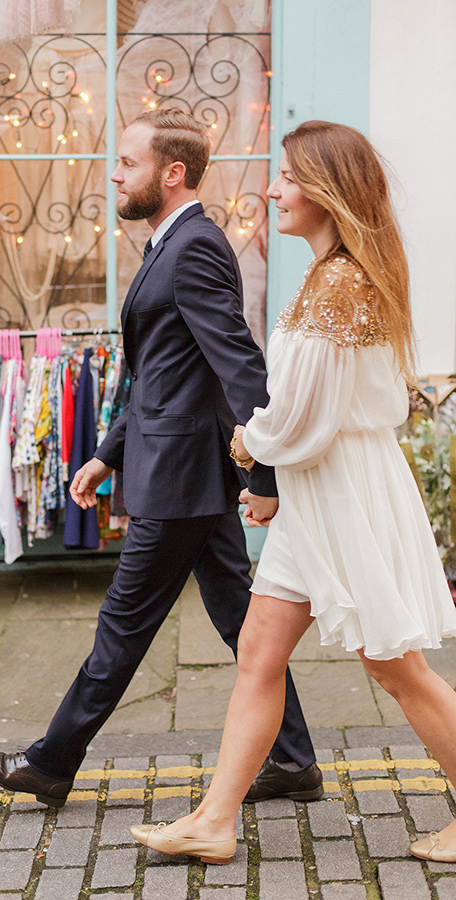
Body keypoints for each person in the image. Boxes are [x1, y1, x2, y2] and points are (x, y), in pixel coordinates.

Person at [0, 109, 322, 809]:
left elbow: (240, 370)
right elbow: (164, 377)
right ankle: (294, 760)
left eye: (127, 163)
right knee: (240, 621)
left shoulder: (191, 247)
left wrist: (268, 474)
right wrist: (107, 455)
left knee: (124, 624)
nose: (114, 174)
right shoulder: (171, 244)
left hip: (181, 480)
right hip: (181, 469)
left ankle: (50, 761)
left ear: (173, 173)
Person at [129, 119, 456, 866]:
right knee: (258, 649)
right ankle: (215, 820)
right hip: (321, 493)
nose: (272, 189)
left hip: (343, 493)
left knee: (393, 666)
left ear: (325, 189)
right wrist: (274, 457)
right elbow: (307, 404)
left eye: (286, 177)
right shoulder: (329, 273)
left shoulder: (339, 281)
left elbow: (306, 414)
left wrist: (250, 445)